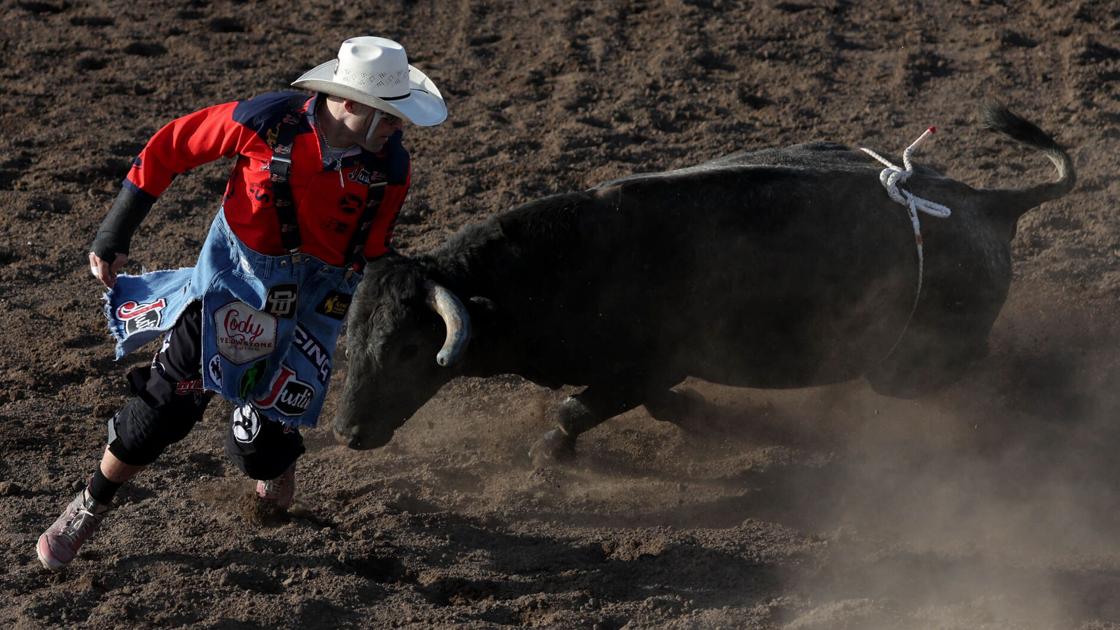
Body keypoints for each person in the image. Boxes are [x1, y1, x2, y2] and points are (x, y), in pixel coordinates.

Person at [35, 36, 447, 570]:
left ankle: (274, 464)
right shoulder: (265, 121)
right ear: (351, 104)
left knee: (259, 445)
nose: (397, 127)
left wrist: (402, 282)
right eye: (389, 116)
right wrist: (116, 231)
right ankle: (90, 504)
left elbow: (372, 244)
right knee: (163, 410)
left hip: (312, 305)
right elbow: (172, 146)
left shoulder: (391, 166)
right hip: (233, 282)